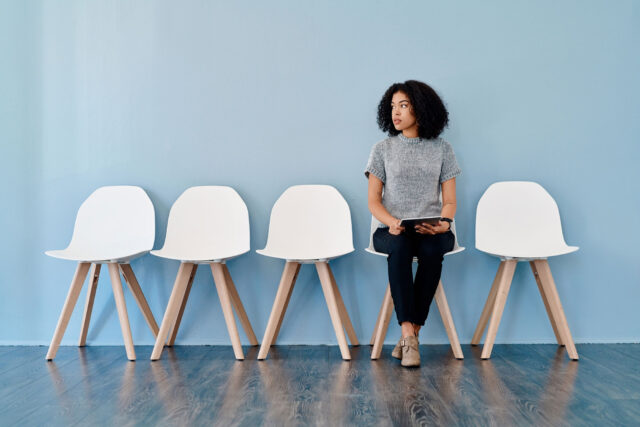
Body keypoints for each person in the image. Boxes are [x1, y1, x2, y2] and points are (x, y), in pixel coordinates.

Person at [365, 80, 461, 367]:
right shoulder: (382, 150)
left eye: (403, 106)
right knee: (401, 247)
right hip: (390, 229)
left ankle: (411, 337)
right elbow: (373, 201)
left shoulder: (443, 149)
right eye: (393, 106)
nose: (396, 112)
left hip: (432, 229)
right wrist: (392, 222)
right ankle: (408, 334)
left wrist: (445, 222)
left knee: (433, 251)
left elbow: (450, 201)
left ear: (421, 109)